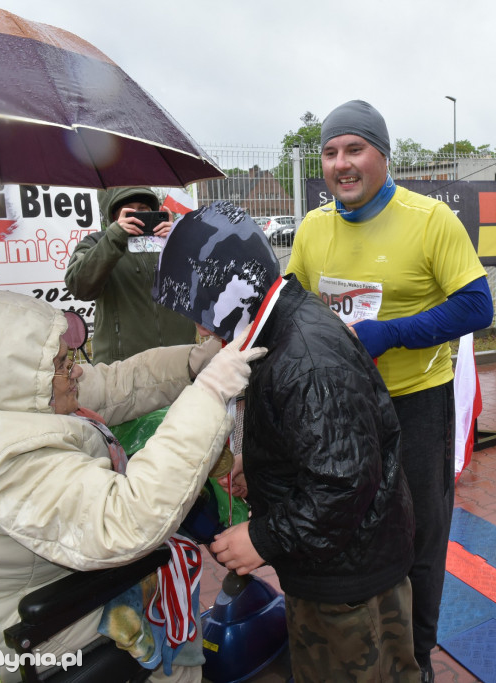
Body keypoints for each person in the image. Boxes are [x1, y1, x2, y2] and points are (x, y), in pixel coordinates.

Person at [0, 287, 264, 682]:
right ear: (20, 377)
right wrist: (211, 394)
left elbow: (118, 384)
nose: (75, 370)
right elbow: (129, 520)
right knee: (173, 633)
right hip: (34, 635)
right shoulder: (4, 459)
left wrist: (198, 362)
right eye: (62, 363)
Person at [153, 201, 418, 682]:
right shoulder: (280, 323)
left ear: (225, 291)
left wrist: (263, 538)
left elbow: (343, 483)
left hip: (345, 580)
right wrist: (256, 466)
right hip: (337, 558)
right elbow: (316, 443)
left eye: (199, 311)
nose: (201, 328)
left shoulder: (307, 357)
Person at [285, 100, 493, 681]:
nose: (341, 164)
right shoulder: (313, 227)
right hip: (340, 406)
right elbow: (293, 307)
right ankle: (358, 643)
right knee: (351, 529)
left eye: (354, 149)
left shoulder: (430, 220)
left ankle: (418, 657)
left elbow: (478, 306)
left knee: (421, 534)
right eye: (330, 153)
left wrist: (391, 335)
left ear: (382, 154)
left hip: (417, 401)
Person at [64, 186, 197, 364]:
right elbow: (79, 286)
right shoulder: (96, 243)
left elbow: (204, 286)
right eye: (129, 210)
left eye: (143, 209)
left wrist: (179, 242)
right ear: (114, 215)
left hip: (179, 363)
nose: (138, 214)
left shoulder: (170, 241)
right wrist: (114, 238)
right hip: (123, 370)